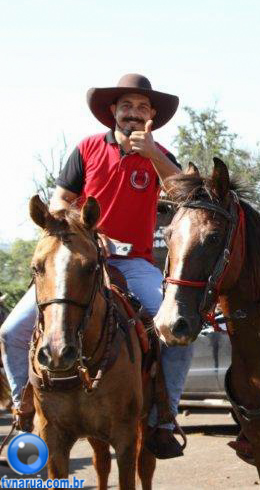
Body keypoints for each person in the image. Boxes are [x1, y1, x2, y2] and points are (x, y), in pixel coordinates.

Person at [0, 74, 192, 459]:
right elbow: (58, 202)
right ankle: (25, 410)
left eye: (142, 108)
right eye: (126, 107)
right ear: (113, 113)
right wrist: (82, 230)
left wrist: (153, 153)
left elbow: (186, 193)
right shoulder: (87, 148)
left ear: (152, 115)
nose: (133, 114)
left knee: (176, 330)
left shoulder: (159, 154)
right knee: (11, 331)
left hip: (135, 263)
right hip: (79, 259)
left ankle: (164, 415)